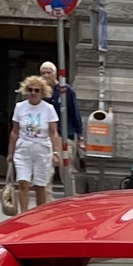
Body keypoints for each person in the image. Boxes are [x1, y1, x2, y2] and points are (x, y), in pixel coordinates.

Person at [9, 74, 59, 214]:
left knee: (40, 186)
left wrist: (56, 153)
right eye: (30, 89)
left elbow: (53, 132)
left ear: (42, 92)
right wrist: (10, 152)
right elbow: (14, 131)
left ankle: (39, 215)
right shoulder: (20, 107)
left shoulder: (48, 109)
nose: (33, 93)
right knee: (23, 183)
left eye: (37, 90)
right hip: (23, 149)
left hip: (42, 150)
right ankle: (23, 214)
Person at [40, 60, 83, 193]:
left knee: (66, 170)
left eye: (49, 72)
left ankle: (70, 198)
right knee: (46, 173)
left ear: (55, 74)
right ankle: (46, 203)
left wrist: (80, 135)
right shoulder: (40, 92)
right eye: (43, 73)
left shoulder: (65, 90)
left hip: (63, 135)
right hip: (45, 137)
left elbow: (74, 112)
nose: (46, 76)